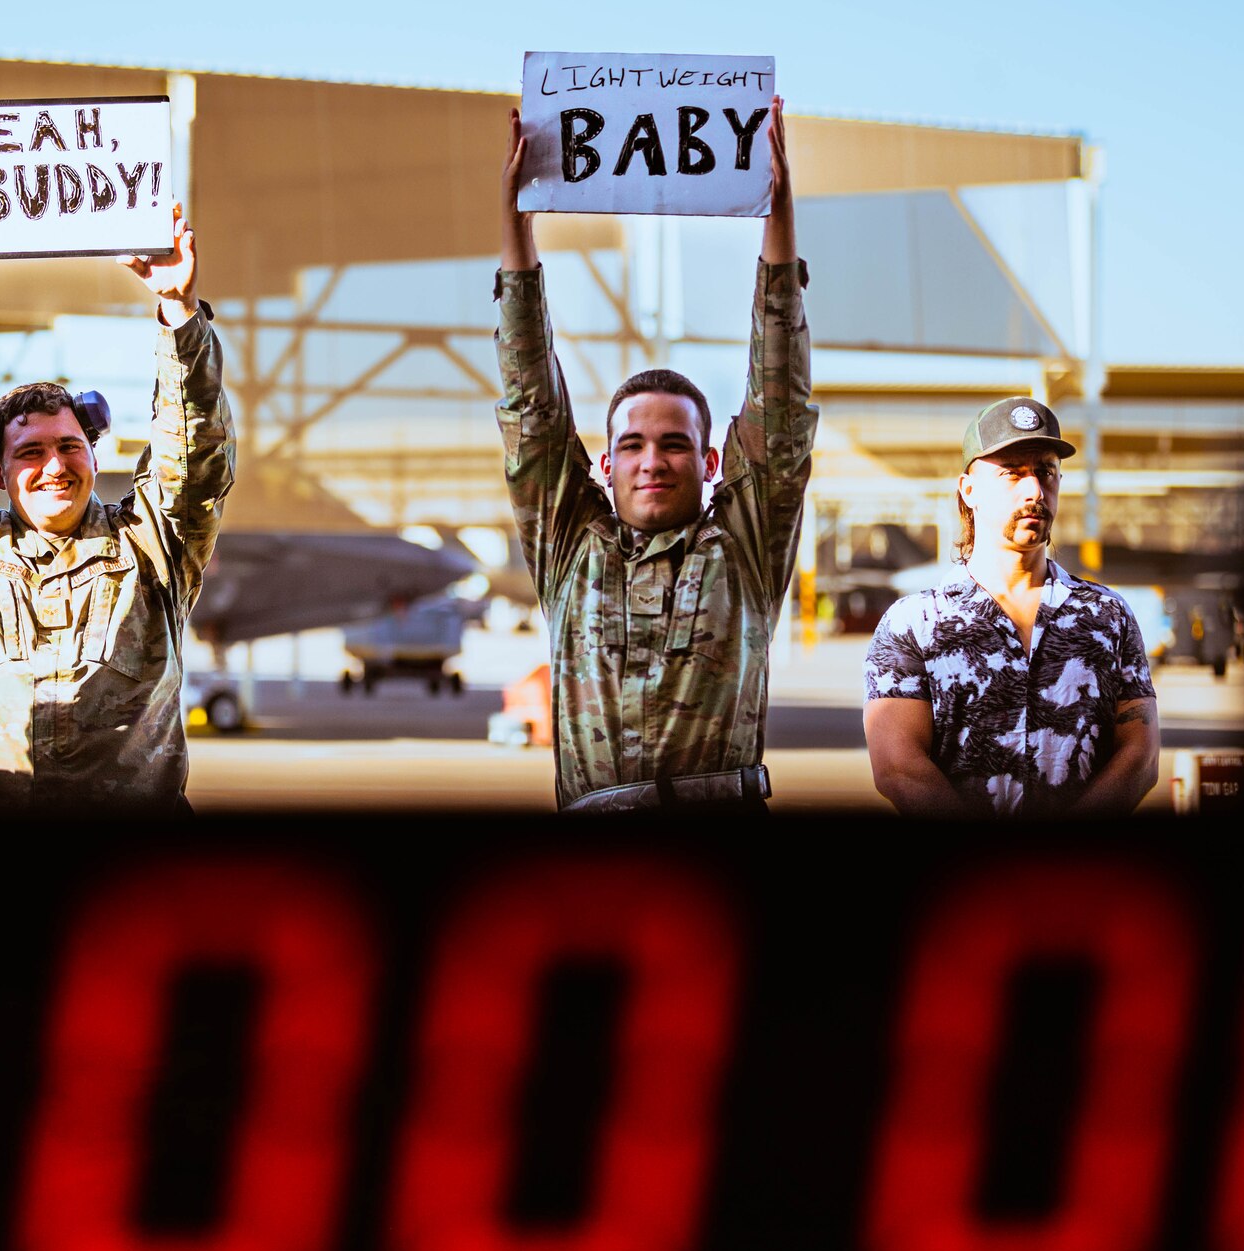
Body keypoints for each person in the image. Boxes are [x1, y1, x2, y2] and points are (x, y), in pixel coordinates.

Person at [496, 94, 814, 812]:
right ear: (604, 465)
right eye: (631, 444)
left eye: (676, 444)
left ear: (709, 462)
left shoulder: (743, 548)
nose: (652, 460)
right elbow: (532, 412)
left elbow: (781, 408)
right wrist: (517, 232)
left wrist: (777, 215)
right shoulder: (569, 548)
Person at [0, 199, 232, 814]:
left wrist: (179, 314)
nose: (55, 466)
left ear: (93, 454)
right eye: (30, 452)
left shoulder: (153, 547)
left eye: (70, 446)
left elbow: (194, 453)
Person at [863, 397, 1160, 815]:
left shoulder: (1106, 617)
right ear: (969, 490)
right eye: (1012, 474)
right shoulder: (915, 624)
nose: (1035, 490)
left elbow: (1140, 758)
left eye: (1046, 472)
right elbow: (898, 766)